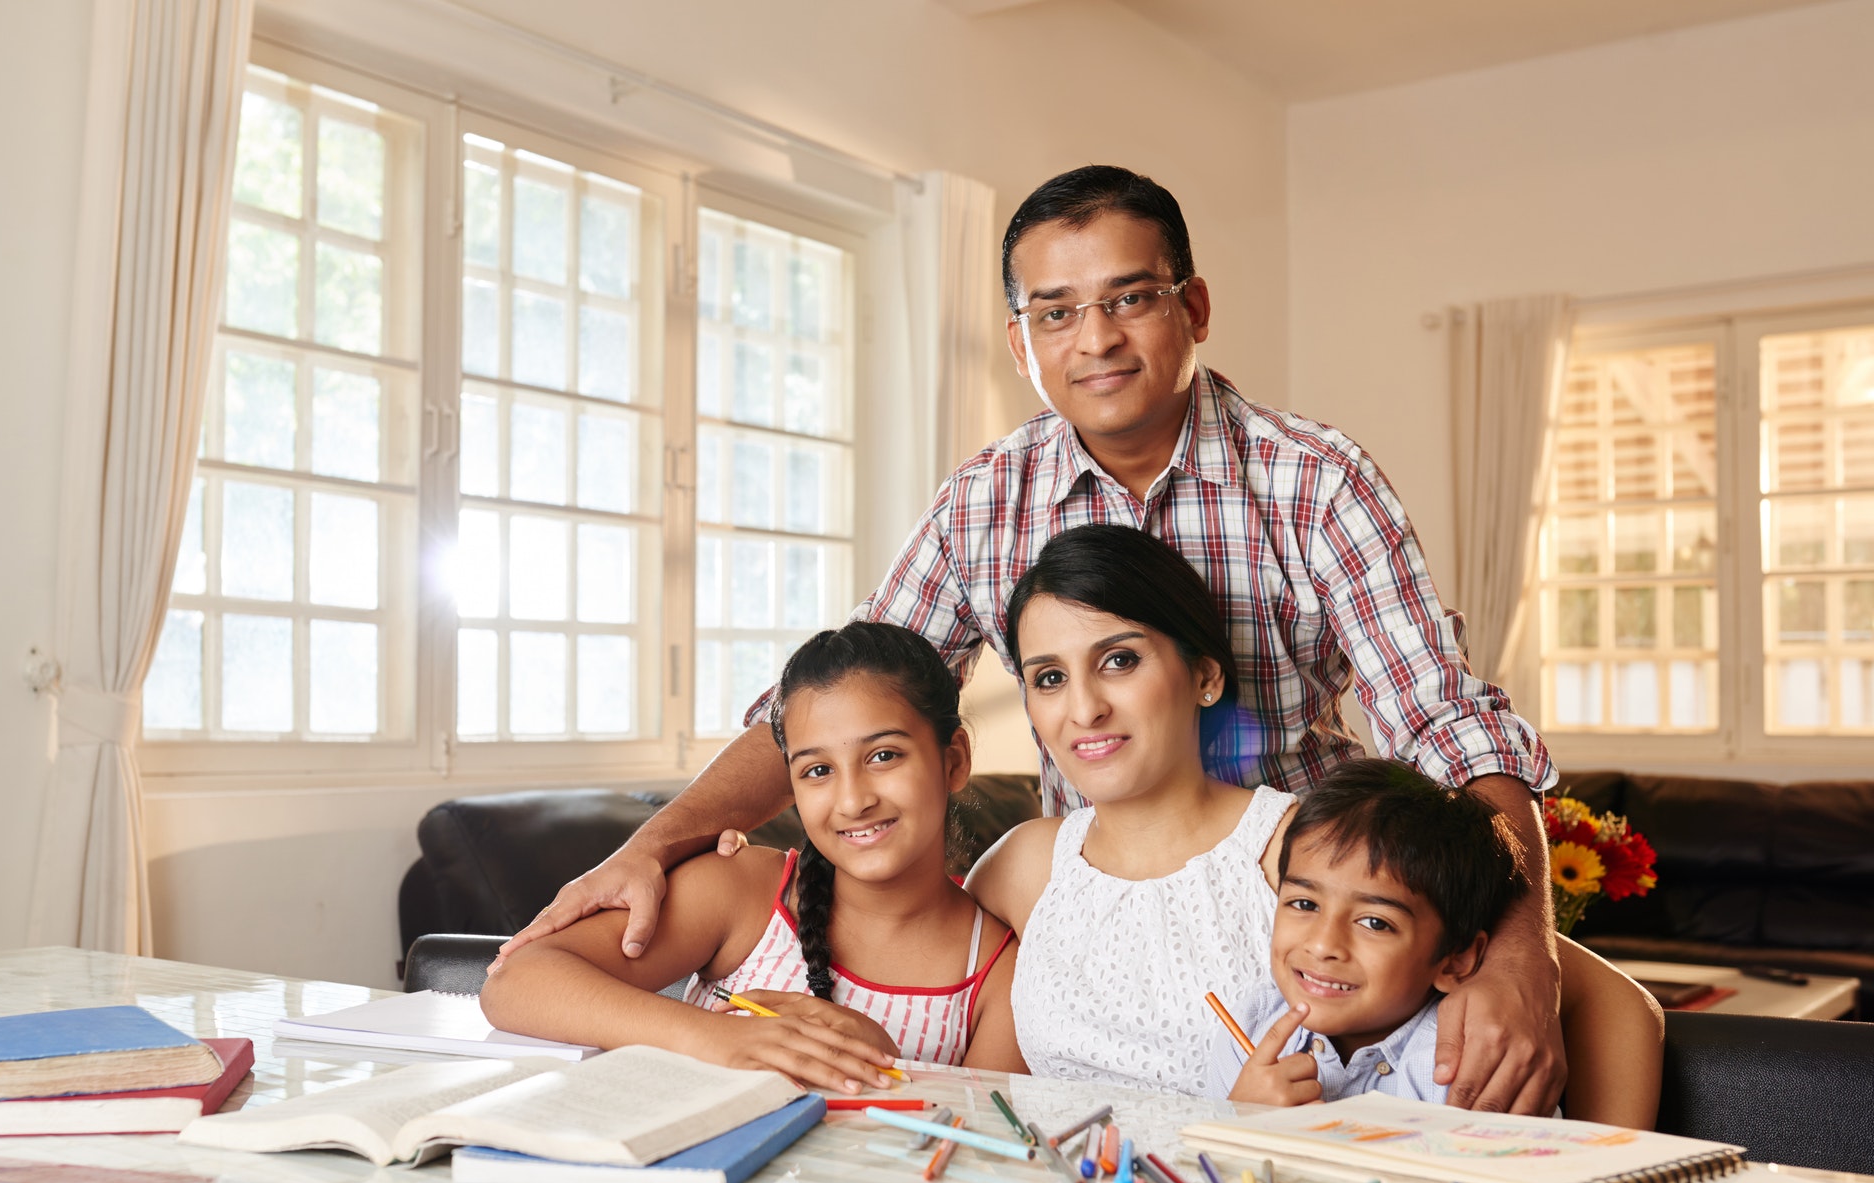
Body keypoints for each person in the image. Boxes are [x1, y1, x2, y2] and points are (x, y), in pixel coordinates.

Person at [495, 164, 1566, 1115]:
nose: (1092, 339)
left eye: (1128, 299)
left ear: (1191, 307)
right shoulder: (985, 505)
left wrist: (1522, 949)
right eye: (1053, 313)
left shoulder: (1312, 481)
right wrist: (651, 845)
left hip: (1300, 908)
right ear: (1020, 343)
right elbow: (834, 705)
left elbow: (1441, 720)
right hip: (1095, 922)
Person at [968, 526, 1661, 1125]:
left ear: (1205, 676)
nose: (1083, 707)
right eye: (1048, 677)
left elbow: (1623, 1011)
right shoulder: (1024, 865)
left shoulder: (1304, 847)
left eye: (1120, 660)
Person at [480, 621, 1023, 1090]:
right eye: (817, 770)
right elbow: (515, 981)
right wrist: (717, 1038)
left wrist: (888, 1066)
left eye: (884, 756)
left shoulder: (1002, 971)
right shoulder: (743, 889)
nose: (854, 800)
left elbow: (979, 1156)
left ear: (953, 761)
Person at [1212, 759, 1660, 1125]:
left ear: (1456, 959)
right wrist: (1241, 1118)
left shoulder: (1469, 1064)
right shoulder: (1248, 1022)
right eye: (1304, 905)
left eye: (1374, 922)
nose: (1324, 944)